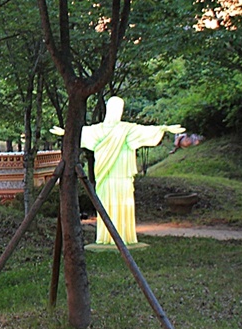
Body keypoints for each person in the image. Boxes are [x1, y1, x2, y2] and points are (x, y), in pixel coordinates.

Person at [53, 97, 183, 245]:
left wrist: (163, 128)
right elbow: (83, 134)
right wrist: (66, 132)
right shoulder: (99, 129)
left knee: (123, 202)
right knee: (106, 203)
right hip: (105, 175)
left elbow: (144, 132)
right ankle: (106, 237)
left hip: (122, 175)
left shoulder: (126, 129)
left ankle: (124, 236)